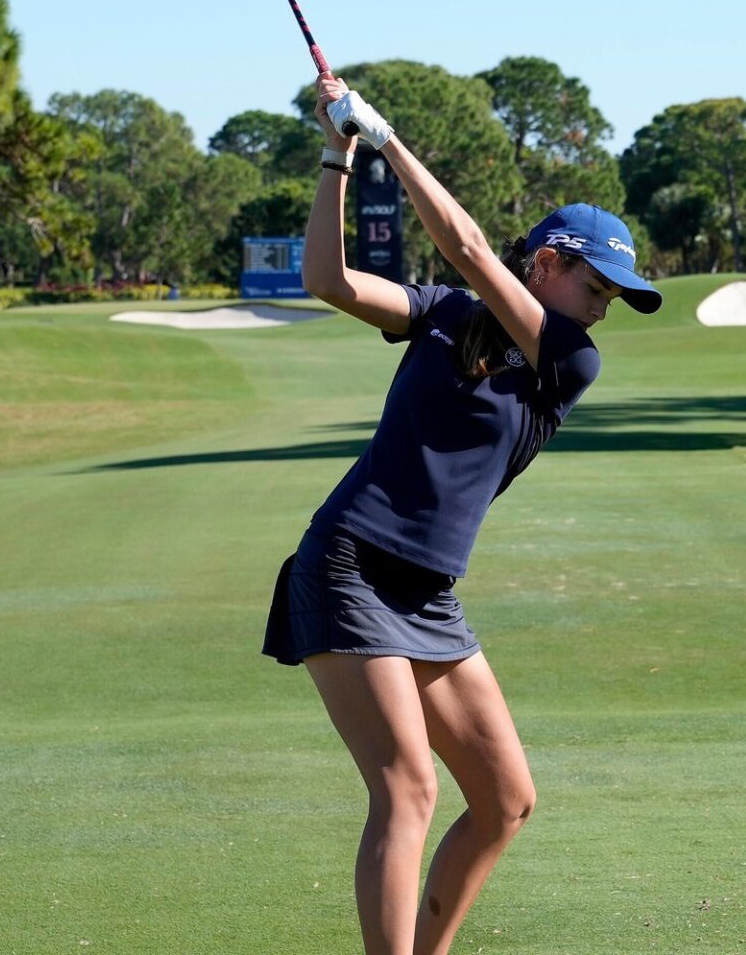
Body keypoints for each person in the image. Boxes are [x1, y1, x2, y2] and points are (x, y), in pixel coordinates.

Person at [265, 76, 663, 955]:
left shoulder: (570, 363)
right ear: (550, 263)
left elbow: (472, 246)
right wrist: (341, 152)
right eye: (598, 287)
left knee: (506, 799)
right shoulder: (443, 316)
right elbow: (328, 279)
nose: (605, 310)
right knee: (408, 788)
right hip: (350, 563)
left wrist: (389, 137)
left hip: (427, 593)